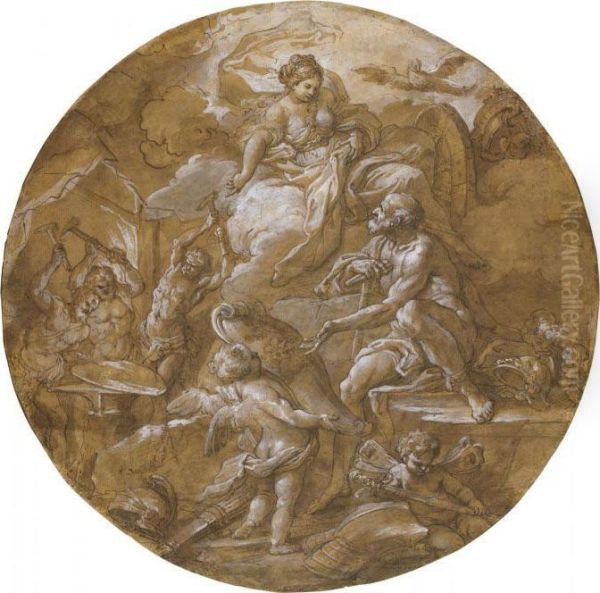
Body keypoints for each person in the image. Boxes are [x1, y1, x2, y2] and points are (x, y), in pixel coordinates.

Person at [302, 193, 493, 510]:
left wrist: (336, 325)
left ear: (400, 220)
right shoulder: (381, 244)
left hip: (449, 331)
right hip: (406, 339)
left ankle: (468, 388)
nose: (374, 214)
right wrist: (357, 266)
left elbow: (389, 308)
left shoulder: (421, 249)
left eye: (382, 211)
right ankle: (339, 479)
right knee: (350, 387)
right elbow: (334, 286)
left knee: (409, 311)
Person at [200, 343, 355, 555]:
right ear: (247, 367)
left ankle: (250, 524)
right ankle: (278, 544)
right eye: (253, 355)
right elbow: (291, 417)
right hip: (287, 451)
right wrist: (320, 420)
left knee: (264, 492)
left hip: (262, 452)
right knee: (285, 501)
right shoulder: (261, 391)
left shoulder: (238, 390)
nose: (257, 354)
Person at [141, 217, 230, 388]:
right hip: (148, 334)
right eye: (188, 262)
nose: (187, 266)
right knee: (139, 381)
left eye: (193, 266)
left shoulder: (199, 285)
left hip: (171, 344)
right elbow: (179, 243)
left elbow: (224, 274)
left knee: (160, 386)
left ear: (201, 271)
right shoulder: (174, 269)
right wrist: (205, 226)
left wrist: (223, 243)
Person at [384, 430, 490, 555]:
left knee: (481, 528)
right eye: (419, 464)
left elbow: (459, 489)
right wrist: (394, 493)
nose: (424, 469)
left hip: (457, 515)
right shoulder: (398, 473)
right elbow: (388, 498)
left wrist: (472, 501)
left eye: (428, 465)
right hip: (431, 525)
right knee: (453, 543)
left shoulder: (437, 472)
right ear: (405, 456)